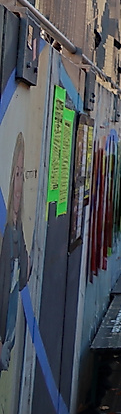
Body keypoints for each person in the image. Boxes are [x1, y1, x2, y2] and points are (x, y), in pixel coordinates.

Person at [0, 135, 30, 372]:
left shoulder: (17, 232)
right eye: (17, 174)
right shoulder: (8, 235)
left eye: (23, 175)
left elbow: (22, 279)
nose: (19, 185)